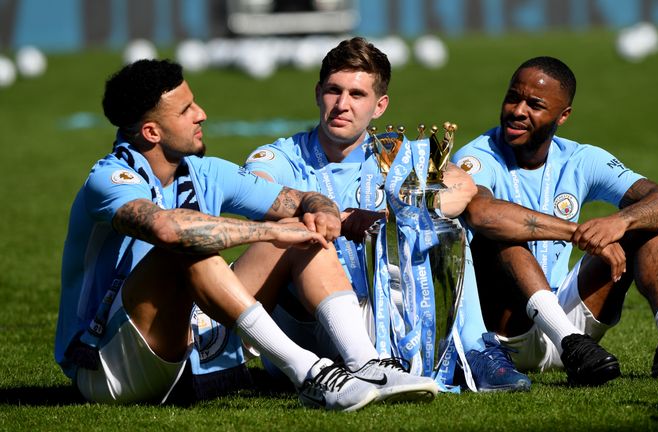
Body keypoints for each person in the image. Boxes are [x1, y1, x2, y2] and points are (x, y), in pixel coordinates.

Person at [54, 58, 437, 412]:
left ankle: (365, 362)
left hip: (188, 349)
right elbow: (167, 229)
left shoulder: (204, 171)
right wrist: (268, 231)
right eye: (187, 111)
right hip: (109, 367)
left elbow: (300, 200)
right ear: (152, 131)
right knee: (188, 245)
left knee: (298, 232)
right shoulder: (108, 179)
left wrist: (322, 211)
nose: (201, 114)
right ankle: (307, 371)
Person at [239, 37, 531, 392]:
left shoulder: (394, 156)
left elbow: (462, 187)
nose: (342, 105)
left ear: (380, 106)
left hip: (379, 312)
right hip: (305, 321)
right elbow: (254, 191)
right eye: (334, 91)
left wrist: (401, 214)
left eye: (357, 95)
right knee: (296, 232)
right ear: (318, 93)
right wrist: (341, 217)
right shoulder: (284, 156)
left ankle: (477, 351)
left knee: (441, 226)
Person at [452, 56, 658, 385]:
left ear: (563, 115)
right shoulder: (478, 154)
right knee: (500, 235)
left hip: (573, 321)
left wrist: (622, 222)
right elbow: (480, 213)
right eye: (513, 97)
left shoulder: (581, 159)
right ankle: (568, 342)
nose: (518, 110)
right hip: (507, 334)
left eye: (534, 104)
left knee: (647, 226)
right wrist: (576, 233)